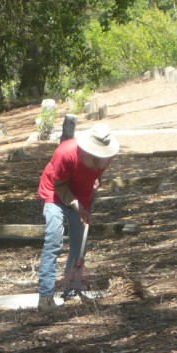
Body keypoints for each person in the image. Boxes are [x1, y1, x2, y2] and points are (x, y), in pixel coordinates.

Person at [35, 122, 119, 310]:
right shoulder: (66, 153)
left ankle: (71, 287)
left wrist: (96, 182)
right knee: (53, 240)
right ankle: (45, 297)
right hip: (54, 194)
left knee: (79, 243)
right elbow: (60, 186)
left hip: (81, 195)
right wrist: (79, 207)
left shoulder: (106, 156)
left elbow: (95, 175)